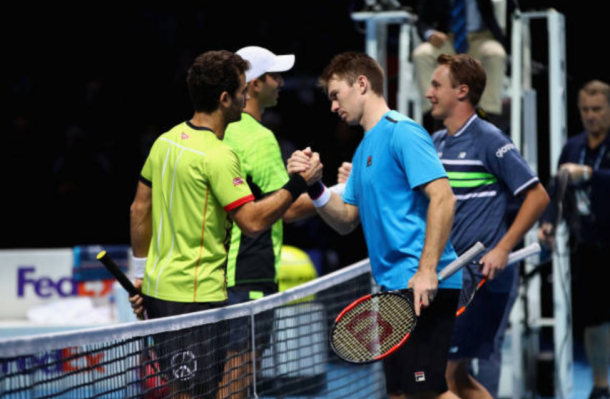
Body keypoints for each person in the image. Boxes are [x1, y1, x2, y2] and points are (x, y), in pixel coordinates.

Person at [128, 50, 322, 399]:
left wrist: (141, 274)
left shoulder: (165, 141)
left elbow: (138, 210)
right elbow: (251, 222)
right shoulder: (218, 155)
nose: (246, 97)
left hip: (158, 292)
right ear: (224, 98)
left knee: (184, 391)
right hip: (197, 296)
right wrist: (299, 184)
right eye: (241, 91)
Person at [289, 51, 461, 399]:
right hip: (393, 289)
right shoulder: (366, 147)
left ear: (362, 84)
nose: (333, 106)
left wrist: (427, 271)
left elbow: (444, 198)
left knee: (429, 393)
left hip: (421, 285)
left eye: (336, 95)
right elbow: (346, 220)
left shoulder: (404, 133)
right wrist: (316, 185)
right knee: (398, 393)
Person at [425, 54, 549, 399]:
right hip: (451, 277)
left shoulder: (489, 138)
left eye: (436, 85)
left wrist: (504, 247)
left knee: (441, 378)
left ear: (461, 91)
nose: (428, 92)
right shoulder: (435, 143)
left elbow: (538, 197)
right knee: (458, 379)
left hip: (482, 279)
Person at [219, 46, 297, 398]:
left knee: (216, 376)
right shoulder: (259, 138)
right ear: (253, 84)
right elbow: (287, 207)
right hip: (251, 270)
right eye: (274, 76)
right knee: (240, 378)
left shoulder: (220, 131)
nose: (281, 83)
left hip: (219, 273)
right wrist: (342, 193)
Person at [539, 80, 610, 399]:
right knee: (594, 321)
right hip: (589, 246)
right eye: (585, 109)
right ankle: (600, 385)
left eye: (597, 109)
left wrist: (592, 175)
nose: (590, 115)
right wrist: (547, 224)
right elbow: (555, 193)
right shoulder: (572, 147)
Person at [413, 0, 509, 120]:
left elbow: (512, 10)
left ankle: (486, 116)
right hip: (446, 39)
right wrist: (430, 34)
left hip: (480, 38)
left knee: (495, 53)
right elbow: (422, 21)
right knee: (422, 54)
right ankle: (436, 116)